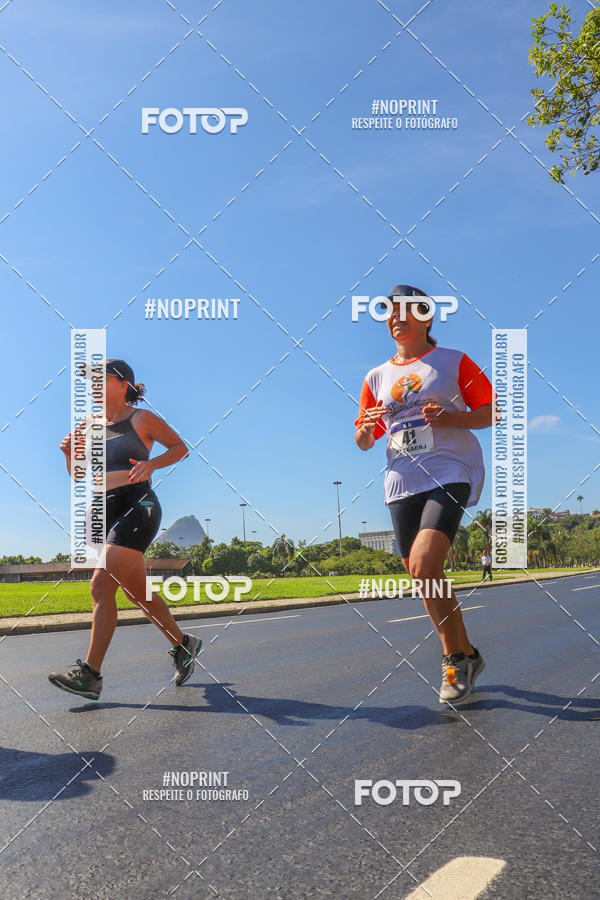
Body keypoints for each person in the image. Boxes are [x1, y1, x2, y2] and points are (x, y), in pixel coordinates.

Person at [354, 285, 496, 705]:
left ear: (427, 318)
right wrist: (368, 425)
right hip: (400, 482)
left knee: (424, 562)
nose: (396, 317)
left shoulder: (453, 362)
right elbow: (363, 440)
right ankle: (466, 654)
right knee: (421, 577)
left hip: (449, 471)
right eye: (389, 312)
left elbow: (492, 411)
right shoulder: (375, 377)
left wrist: (452, 417)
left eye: (407, 310)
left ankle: (452, 658)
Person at [49, 359, 201, 700]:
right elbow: (79, 475)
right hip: (102, 509)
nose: (92, 385)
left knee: (101, 586)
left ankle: (90, 675)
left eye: (99, 379)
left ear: (122, 383)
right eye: (90, 381)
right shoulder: (88, 424)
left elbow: (180, 447)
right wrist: (67, 455)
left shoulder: (141, 419)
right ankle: (183, 644)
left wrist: (151, 464)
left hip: (138, 505)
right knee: (138, 594)